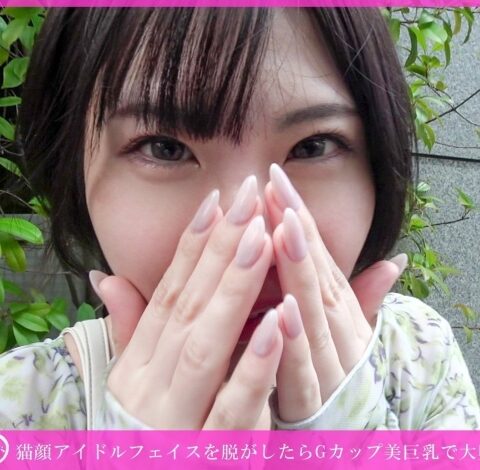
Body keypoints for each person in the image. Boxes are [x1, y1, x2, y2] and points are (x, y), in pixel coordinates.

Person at [1, 7, 478, 430]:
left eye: (312, 147)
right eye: (165, 149)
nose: (253, 234)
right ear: (73, 172)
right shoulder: (22, 407)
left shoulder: (420, 360)